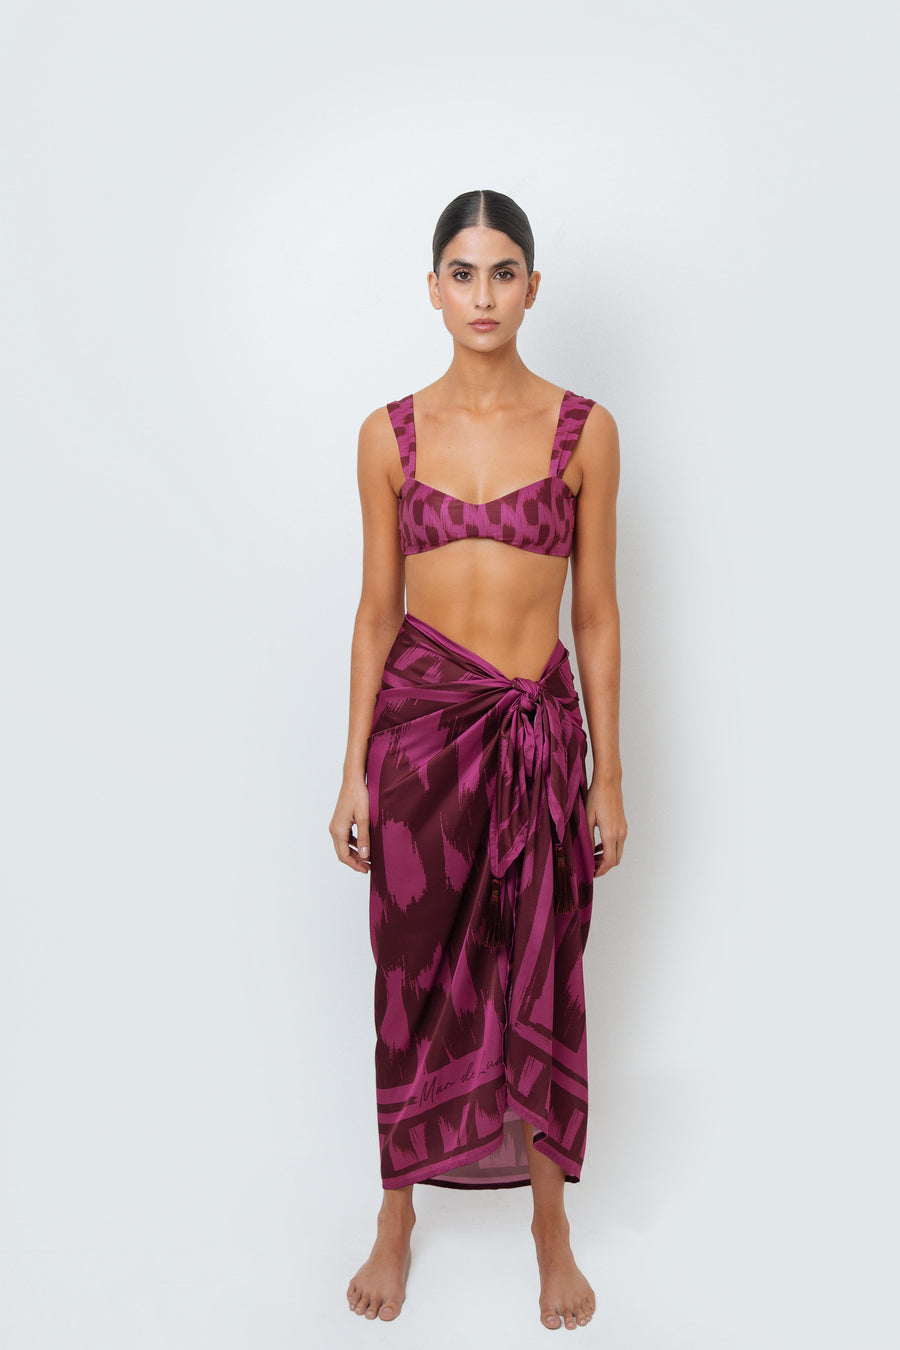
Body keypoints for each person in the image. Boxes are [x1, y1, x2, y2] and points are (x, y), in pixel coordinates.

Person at [329, 188, 627, 1331]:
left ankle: (551, 1223)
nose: (484, 294)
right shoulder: (388, 434)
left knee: (544, 965)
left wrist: (609, 775)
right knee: (409, 975)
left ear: (533, 287)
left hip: (539, 740)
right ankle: (396, 1213)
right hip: (419, 741)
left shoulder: (585, 430)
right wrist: (351, 772)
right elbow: (376, 613)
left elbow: (594, 615)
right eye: (464, 272)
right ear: (434, 288)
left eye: (504, 272)